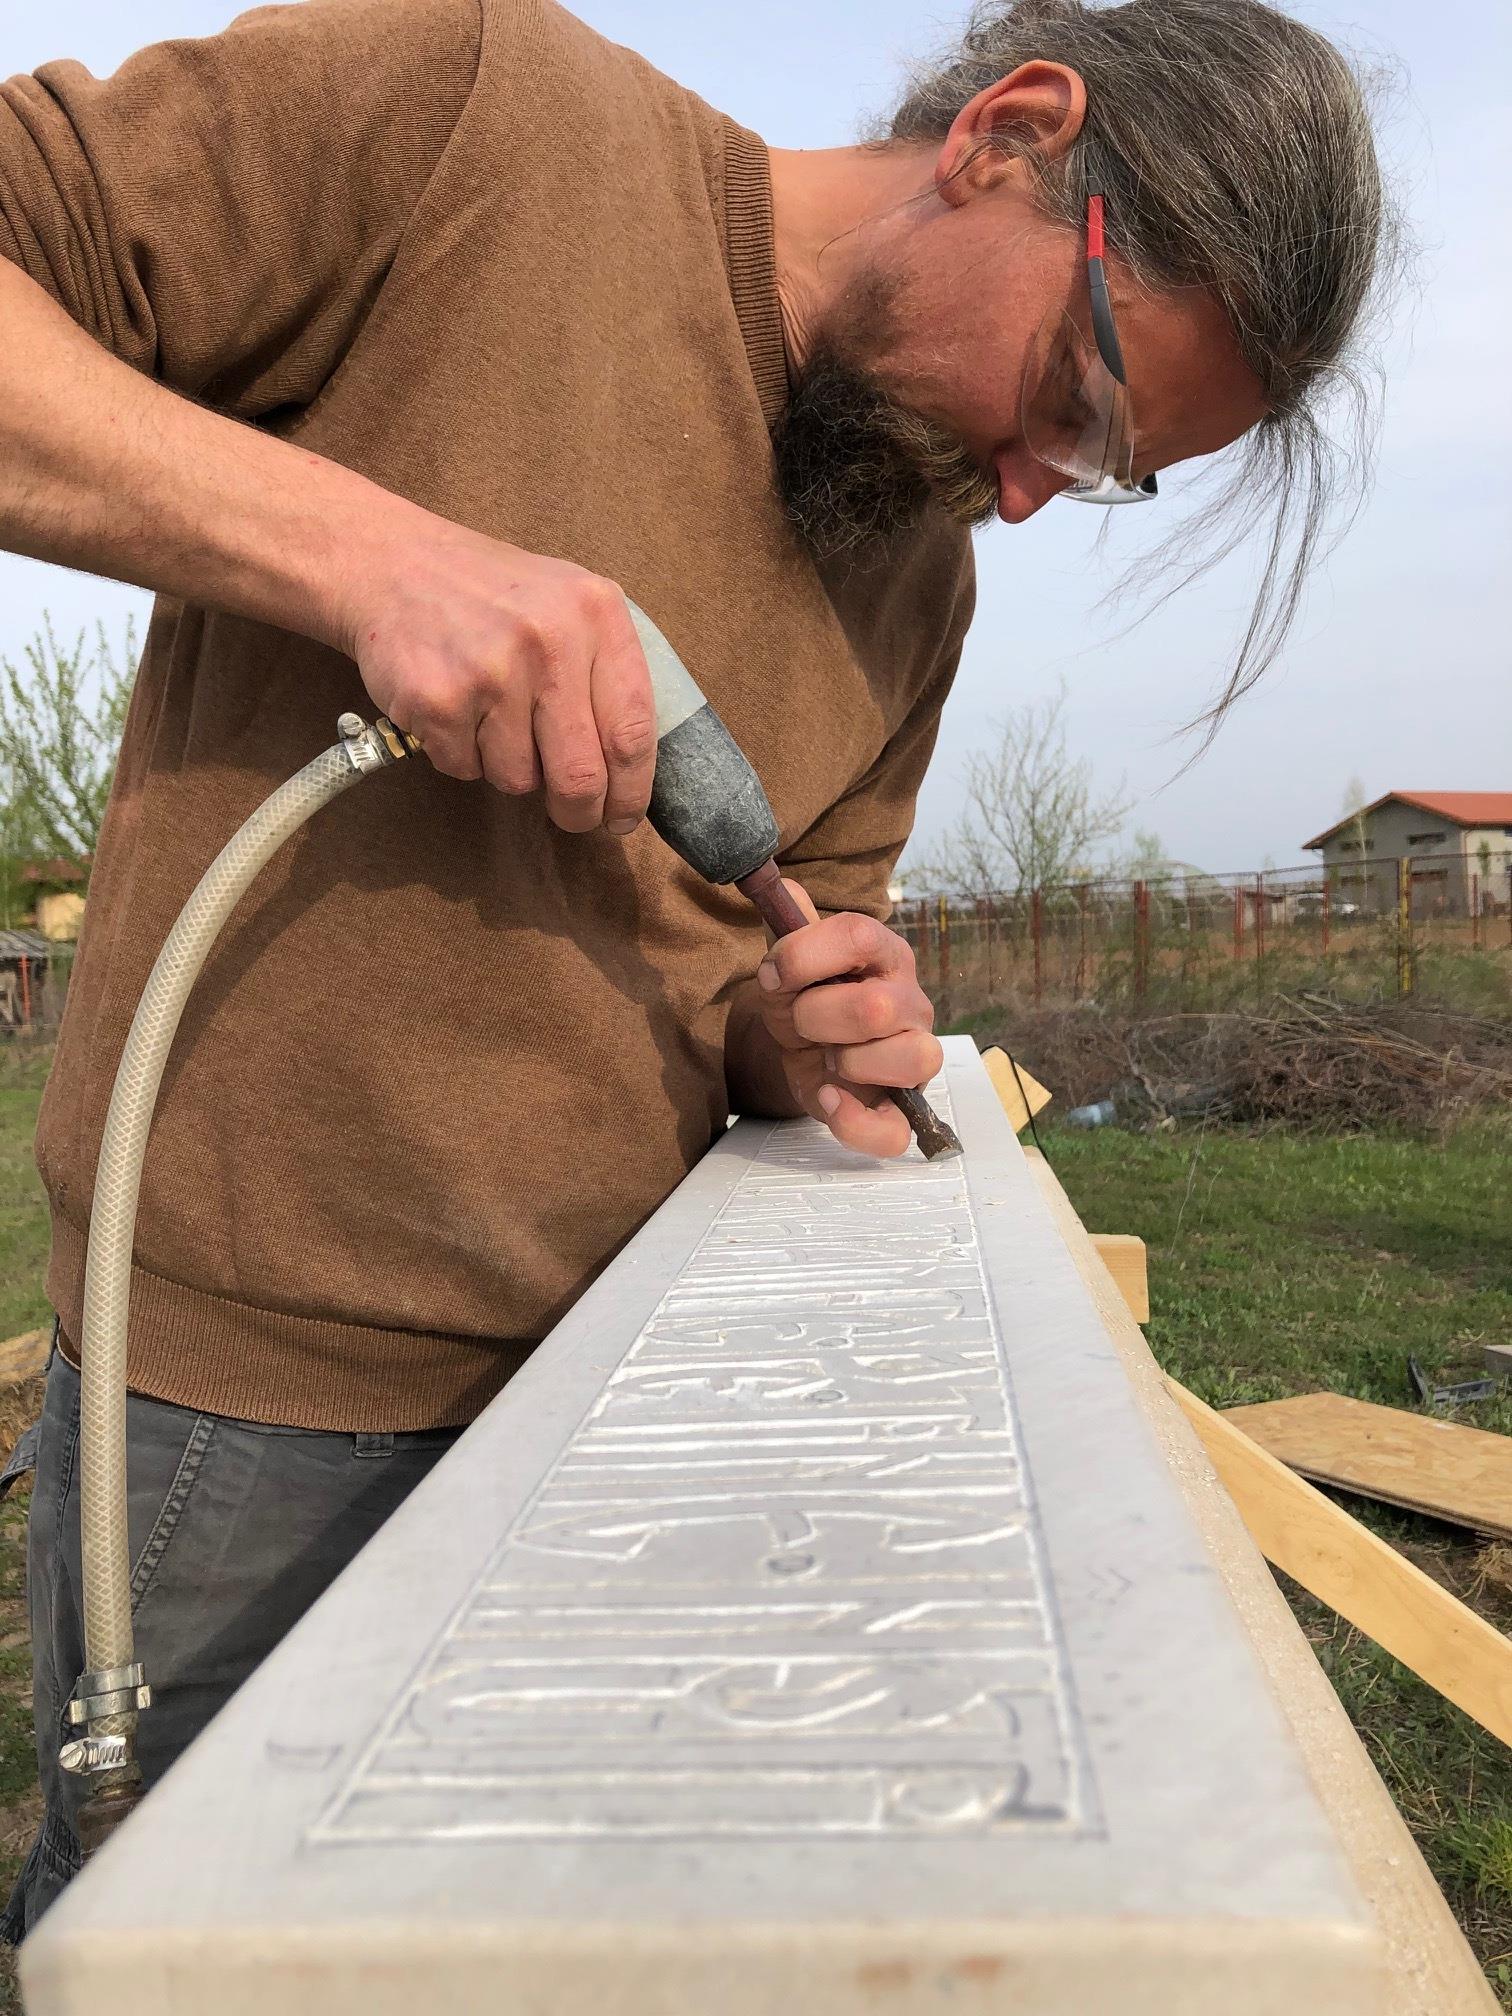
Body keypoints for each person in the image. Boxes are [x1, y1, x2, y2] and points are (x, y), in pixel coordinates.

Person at [0, 0, 1387, 1933]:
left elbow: (755, 968)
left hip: (633, 1402)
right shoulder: (472, 112)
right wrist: (370, 561)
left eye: (1103, 474)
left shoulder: (922, 570)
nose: (1023, 489)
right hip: (254, 1419)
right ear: (1009, 135)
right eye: (1079, 404)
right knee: (162, 1946)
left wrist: (796, 1039)